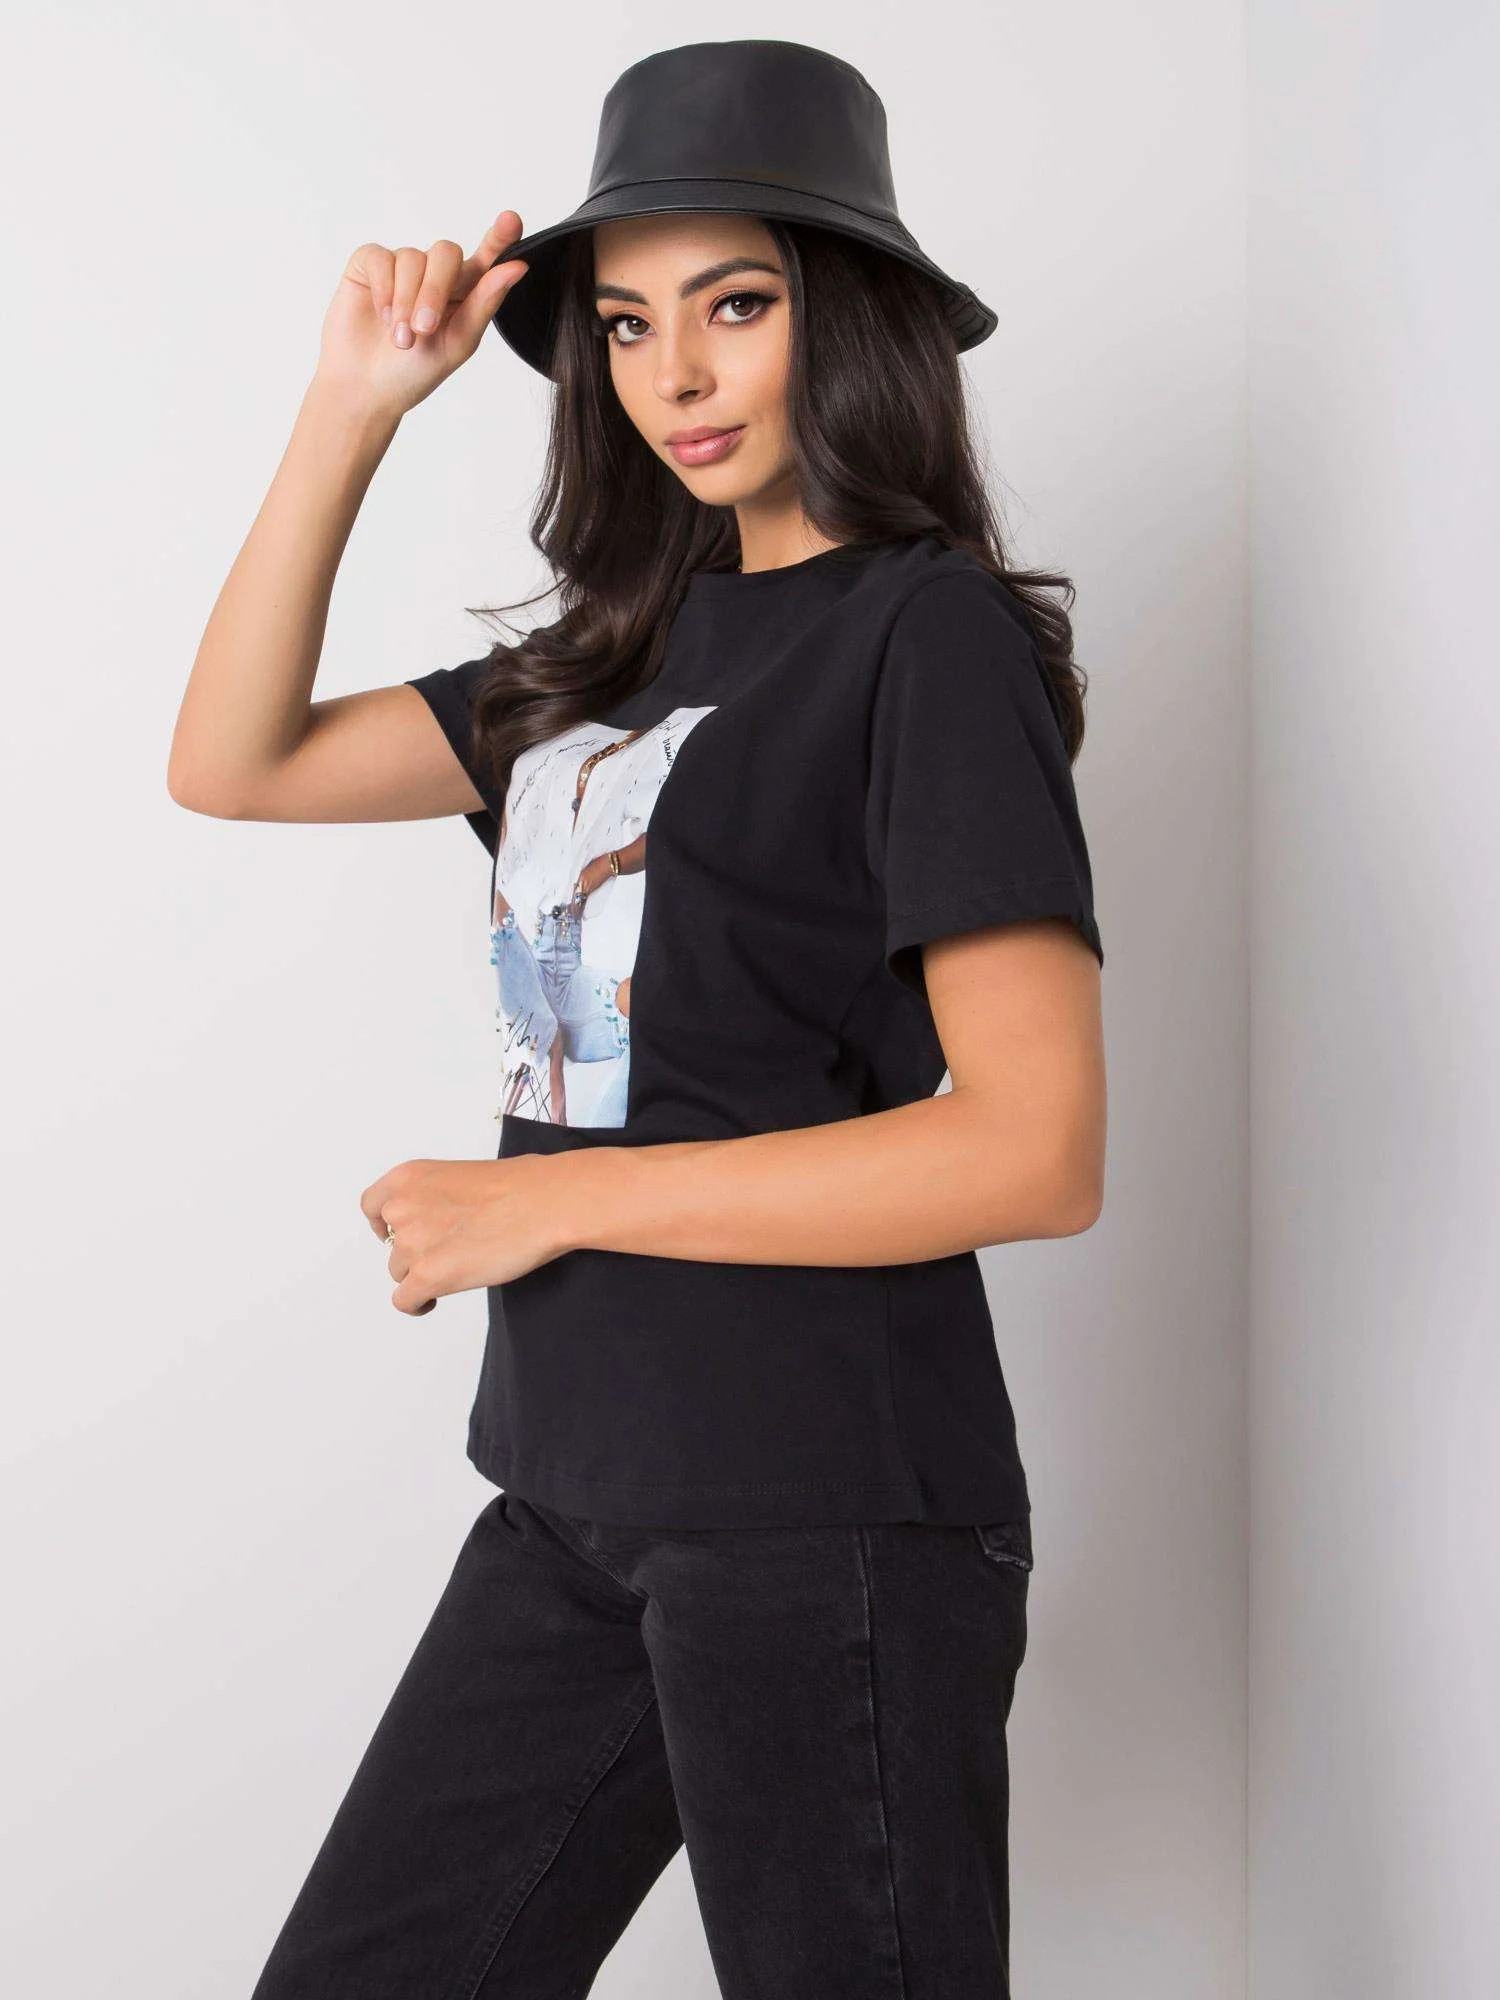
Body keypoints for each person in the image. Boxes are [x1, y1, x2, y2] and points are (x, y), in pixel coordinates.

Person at [170, 38, 1107, 2000]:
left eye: (735, 305)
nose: (674, 371)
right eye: (623, 324)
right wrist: (351, 411)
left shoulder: (921, 635)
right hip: (573, 1492)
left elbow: (1033, 1148)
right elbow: (234, 762)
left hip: (826, 1505)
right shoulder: (606, 655)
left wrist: (551, 1202)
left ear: (846, 318)